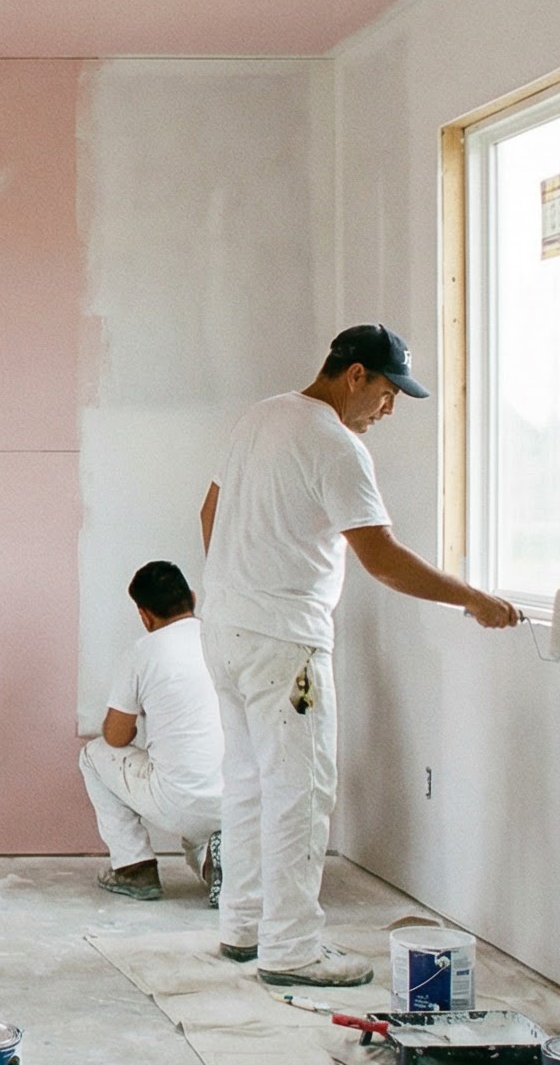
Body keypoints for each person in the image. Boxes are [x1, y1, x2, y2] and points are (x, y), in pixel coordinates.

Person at [198, 325, 519, 986]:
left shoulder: (261, 417)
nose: (388, 409)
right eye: (387, 392)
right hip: (285, 643)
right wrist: (471, 598)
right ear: (356, 376)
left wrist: (242, 584)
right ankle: (291, 950)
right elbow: (384, 560)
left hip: (224, 627)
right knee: (299, 789)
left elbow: (211, 513)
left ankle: (244, 926)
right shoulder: (335, 445)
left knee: (249, 779)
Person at [83, 561, 226, 906]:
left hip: (177, 800)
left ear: (145, 616)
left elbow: (116, 738)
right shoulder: (223, 642)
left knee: (92, 755)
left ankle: (135, 869)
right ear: (192, 598)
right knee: (198, 839)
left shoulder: (142, 652)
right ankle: (223, 864)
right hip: (239, 799)